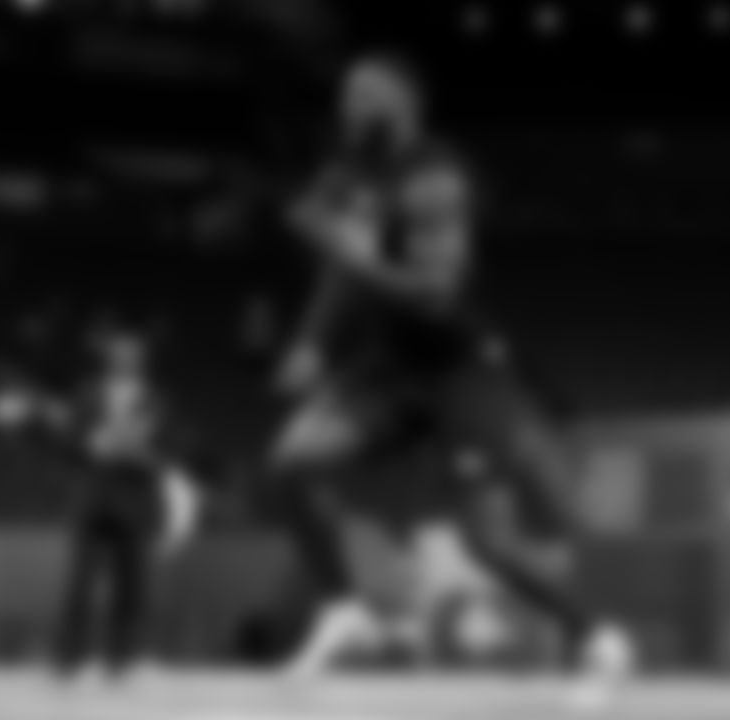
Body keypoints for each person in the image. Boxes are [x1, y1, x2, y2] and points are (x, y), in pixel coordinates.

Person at [265, 52, 633, 701]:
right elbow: (335, 261)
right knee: (290, 461)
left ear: (403, 105)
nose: (348, 106)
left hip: (459, 372)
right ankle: (343, 606)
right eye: (345, 93)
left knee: (486, 543)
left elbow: (437, 292)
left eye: (364, 94)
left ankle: (597, 637)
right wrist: (311, 341)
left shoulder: (438, 177)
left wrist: (354, 252)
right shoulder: (347, 171)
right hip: (388, 371)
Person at [0, 328, 200, 680]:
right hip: (91, 497)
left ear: (142, 359)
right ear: (109, 359)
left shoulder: (159, 399)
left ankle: (121, 660)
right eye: (119, 353)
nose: (125, 358)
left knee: (131, 584)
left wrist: (137, 453)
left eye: (132, 353)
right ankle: (68, 659)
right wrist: (89, 444)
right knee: (79, 582)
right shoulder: (86, 393)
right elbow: (68, 442)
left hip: (135, 498)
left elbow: (168, 450)